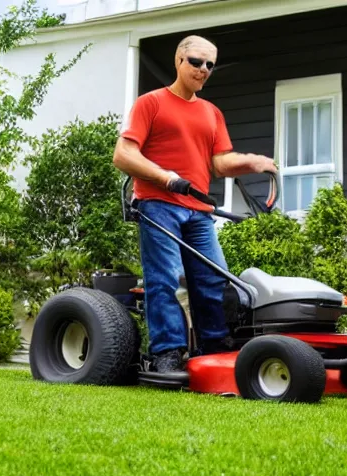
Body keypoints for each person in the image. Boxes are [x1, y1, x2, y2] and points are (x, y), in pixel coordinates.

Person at [113, 35, 277, 374]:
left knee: (213, 279)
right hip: (158, 203)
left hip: (199, 211)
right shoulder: (151, 103)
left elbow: (220, 163)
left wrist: (254, 161)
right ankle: (167, 354)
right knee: (165, 279)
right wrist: (165, 177)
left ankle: (213, 352)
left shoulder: (211, 112)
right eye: (195, 62)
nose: (203, 70)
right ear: (178, 61)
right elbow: (124, 154)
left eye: (209, 65)